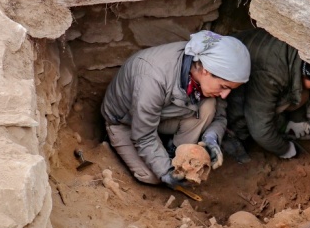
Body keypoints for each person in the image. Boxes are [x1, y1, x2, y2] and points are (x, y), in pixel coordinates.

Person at [101, 30, 251, 188]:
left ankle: (173, 151)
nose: (225, 95)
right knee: (152, 176)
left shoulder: (200, 67)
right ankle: (158, 156)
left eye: (231, 90)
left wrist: (212, 139)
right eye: (224, 87)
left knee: (208, 106)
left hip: (161, 116)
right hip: (127, 123)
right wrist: (167, 172)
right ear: (206, 70)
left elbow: (219, 117)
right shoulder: (153, 77)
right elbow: (143, 136)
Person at [226, 28, 310, 161]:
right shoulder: (272, 76)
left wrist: (297, 120)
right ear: (306, 74)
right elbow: (260, 129)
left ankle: (289, 123)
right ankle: (245, 133)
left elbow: (295, 84)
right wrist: (286, 149)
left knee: (301, 94)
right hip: (232, 94)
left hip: (252, 57)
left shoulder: (294, 55)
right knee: (252, 122)